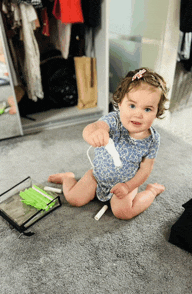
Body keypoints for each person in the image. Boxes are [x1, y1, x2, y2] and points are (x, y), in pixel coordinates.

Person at [48, 67, 169, 220]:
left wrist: (128, 186)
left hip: (126, 183)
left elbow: (145, 170)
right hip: (97, 176)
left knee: (124, 213)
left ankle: (152, 191)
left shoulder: (152, 139)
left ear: (157, 111)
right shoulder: (113, 120)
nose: (138, 114)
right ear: (119, 103)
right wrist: (96, 133)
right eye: (132, 105)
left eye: (147, 109)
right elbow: (93, 128)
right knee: (74, 199)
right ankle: (67, 177)